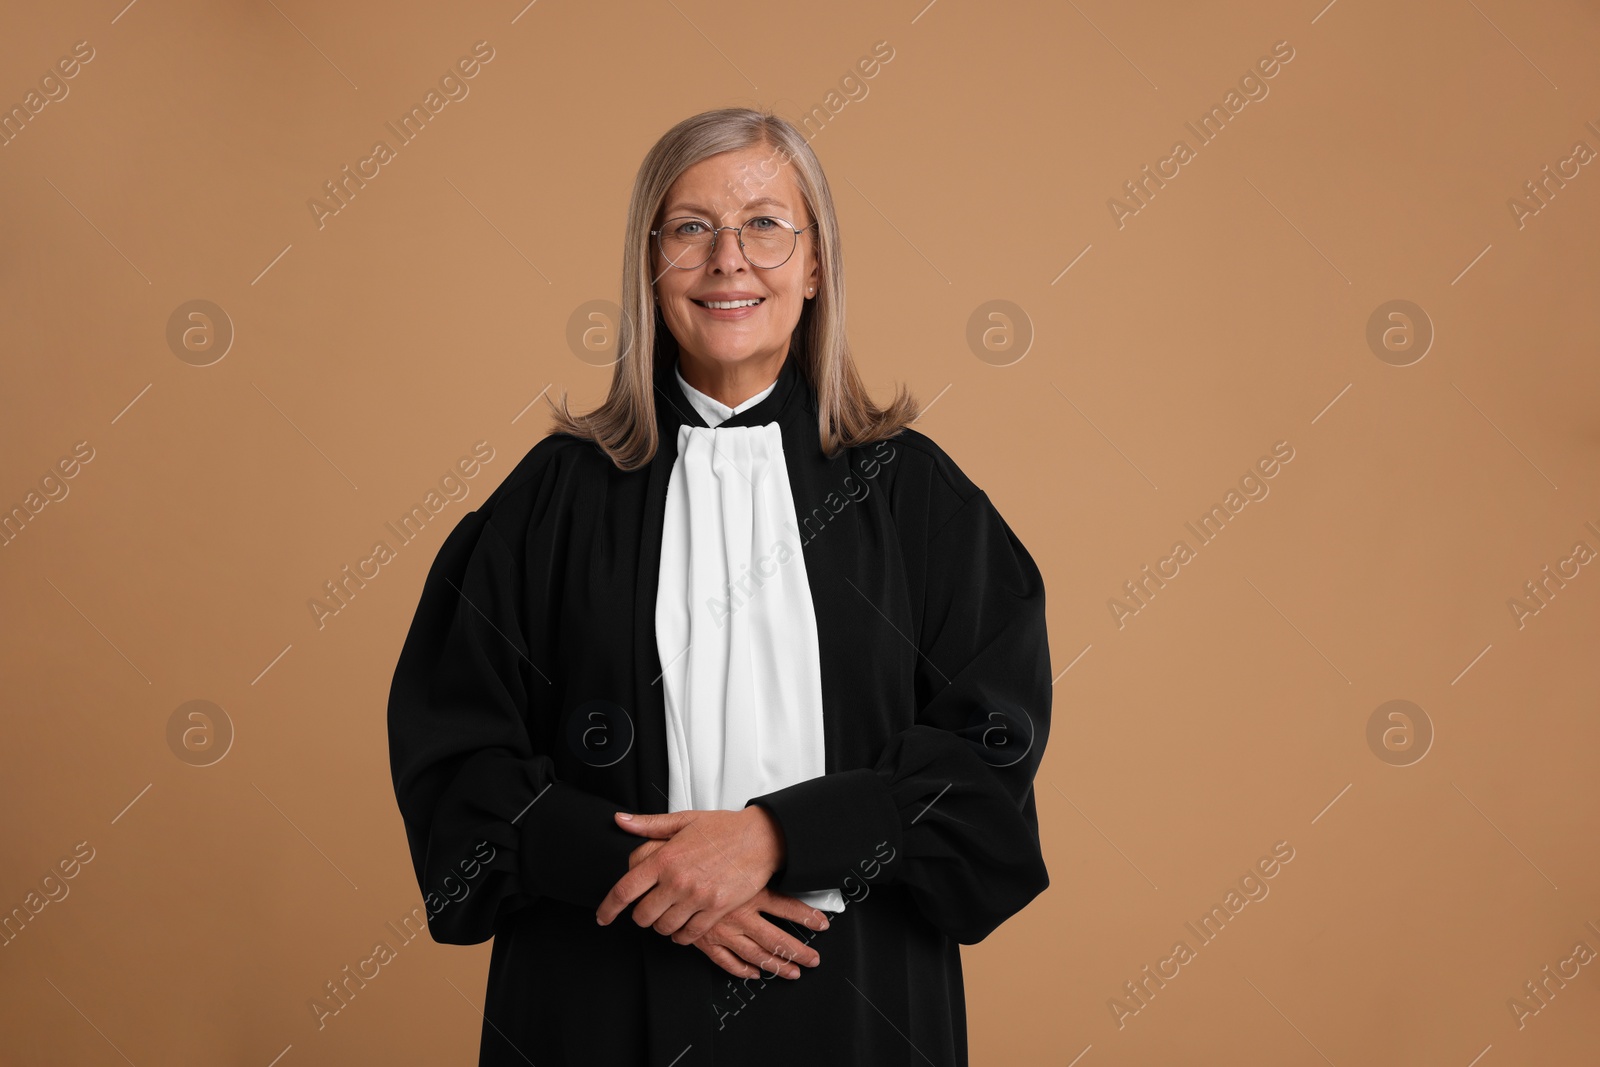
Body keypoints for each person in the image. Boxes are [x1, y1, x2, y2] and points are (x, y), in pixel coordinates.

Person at [387, 106, 1052, 1067]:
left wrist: (777, 837)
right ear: (649, 264)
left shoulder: (916, 497)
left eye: (765, 225)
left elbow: (990, 757)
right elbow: (456, 765)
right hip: (600, 1006)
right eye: (691, 227)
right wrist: (657, 874)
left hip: (858, 1008)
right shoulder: (550, 500)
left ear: (816, 263)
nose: (727, 260)